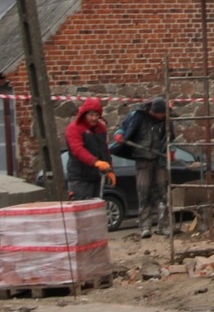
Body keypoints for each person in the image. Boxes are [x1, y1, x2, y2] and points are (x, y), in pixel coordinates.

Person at [125, 96, 172, 238]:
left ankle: (163, 225)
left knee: (163, 193)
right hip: (143, 160)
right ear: (153, 111)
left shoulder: (166, 120)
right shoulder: (139, 117)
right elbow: (125, 131)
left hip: (159, 159)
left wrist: (171, 149)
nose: (162, 116)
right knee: (143, 193)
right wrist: (121, 135)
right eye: (160, 113)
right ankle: (145, 227)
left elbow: (171, 136)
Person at [65, 96, 115, 200]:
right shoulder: (74, 128)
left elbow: (105, 150)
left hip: (97, 177)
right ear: (84, 114)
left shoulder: (101, 128)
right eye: (91, 115)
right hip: (79, 179)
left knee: (96, 211)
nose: (94, 118)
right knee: (82, 211)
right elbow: (78, 150)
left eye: (97, 115)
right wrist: (95, 162)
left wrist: (110, 169)